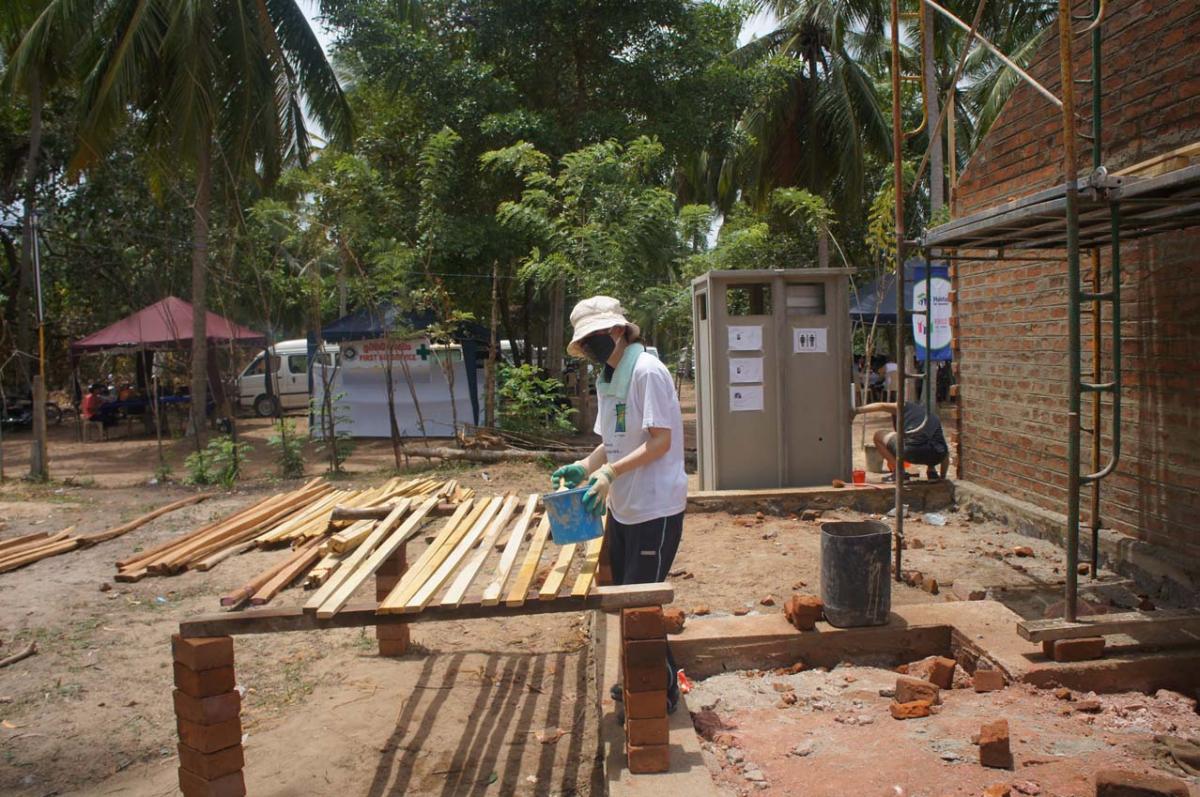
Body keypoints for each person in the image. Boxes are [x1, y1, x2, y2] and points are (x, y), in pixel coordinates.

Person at [550, 296, 688, 713]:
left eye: (592, 337)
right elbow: (611, 441)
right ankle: (643, 677)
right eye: (583, 341)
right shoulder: (608, 378)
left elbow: (660, 442)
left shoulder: (647, 372)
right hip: (624, 506)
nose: (588, 346)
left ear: (616, 330)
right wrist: (585, 466)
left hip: (655, 507)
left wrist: (610, 473)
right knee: (629, 599)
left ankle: (657, 692)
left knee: (638, 605)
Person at [854, 399, 949, 481]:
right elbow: (945, 452)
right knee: (930, 440)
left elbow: (881, 406)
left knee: (878, 436)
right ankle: (932, 472)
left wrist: (856, 411)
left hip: (910, 451)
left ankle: (899, 472)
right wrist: (943, 478)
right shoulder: (931, 416)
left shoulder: (904, 406)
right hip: (937, 455)